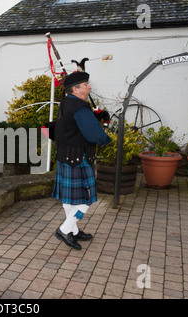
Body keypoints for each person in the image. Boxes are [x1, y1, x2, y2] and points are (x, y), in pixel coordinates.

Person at [53, 71, 111, 250]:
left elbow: (74, 126)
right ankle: (64, 229)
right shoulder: (80, 108)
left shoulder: (66, 102)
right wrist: (105, 138)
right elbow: (94, 133)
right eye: (86, 84)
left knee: (69, 200)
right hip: (79, 159)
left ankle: (74, 230)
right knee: (84, 202)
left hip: (66, 157)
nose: (89, 87)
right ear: (76, 89)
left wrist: (96, 116)